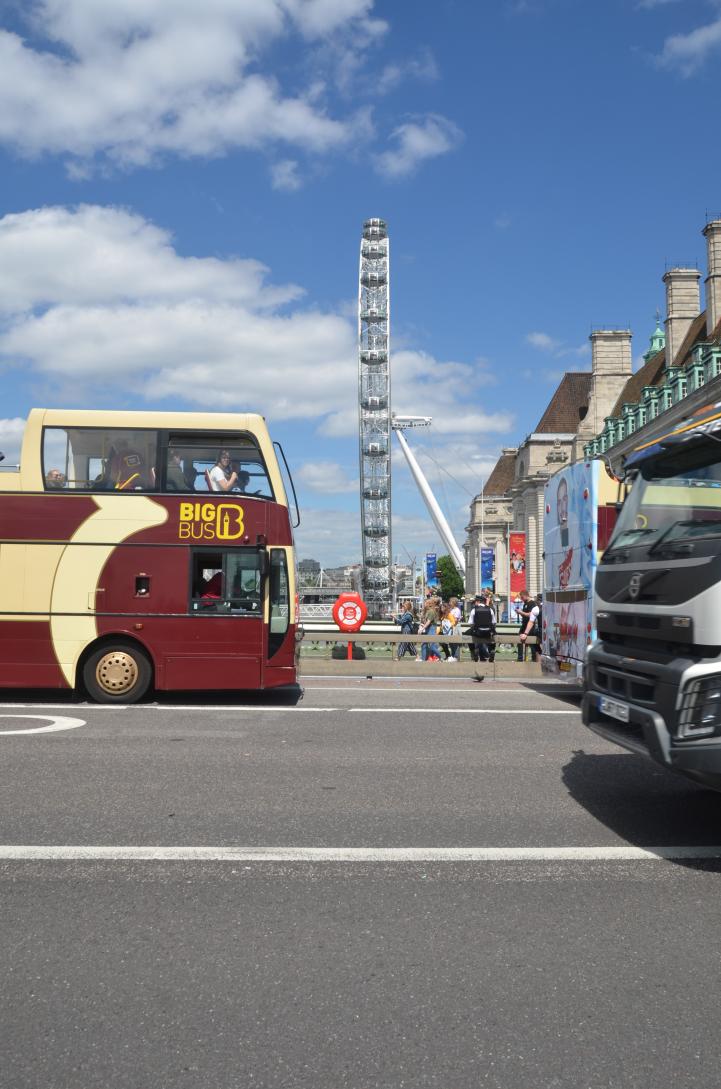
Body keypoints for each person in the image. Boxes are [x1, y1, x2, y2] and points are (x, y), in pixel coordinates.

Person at [469, 593, 496, 662]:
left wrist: (474, 629)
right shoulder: (490, 610)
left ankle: (473, 651)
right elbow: (494, 623)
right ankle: (491, 650)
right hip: (488, 632)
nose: (474, 603)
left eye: (475, 602)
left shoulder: (474, 610)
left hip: (478, 632)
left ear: (478, 602)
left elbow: (471, 623)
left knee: (467, 634)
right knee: (494, 635)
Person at [517, 589, 540, 662]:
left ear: (526, 595)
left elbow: (531, 615)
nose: (522, 599)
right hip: (524, 625)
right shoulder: (525, 603)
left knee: (532, 643)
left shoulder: (532, 603)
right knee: (519, 641)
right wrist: (520, 613)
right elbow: (525, 614)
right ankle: (520, 658)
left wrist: (521, 612)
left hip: (530, 627)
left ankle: (534, 659)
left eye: (522, 597)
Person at [418, 596, 442, 661]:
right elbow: (425, 622)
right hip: (428, 629)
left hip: (431, 629)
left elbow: (428, 622)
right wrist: (422, 625)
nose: (424, 604)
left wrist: (422, 629)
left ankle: (440, 657)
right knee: (424, 645)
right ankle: (423, 659)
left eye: (425, 603)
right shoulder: (428, 611)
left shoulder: (431, 611)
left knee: (431, 646)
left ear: (429, 604)